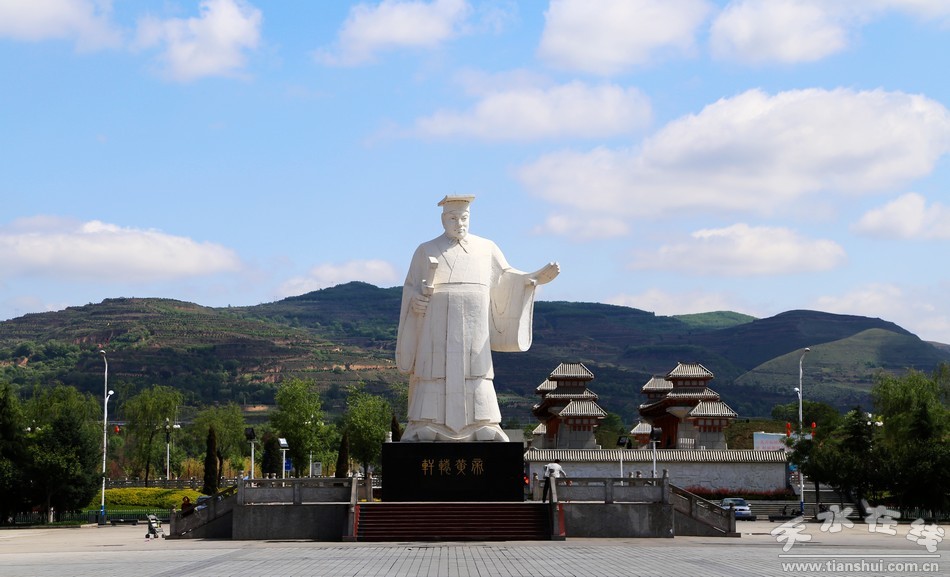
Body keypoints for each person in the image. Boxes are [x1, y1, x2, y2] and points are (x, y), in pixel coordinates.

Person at [396, 195, 559, 442]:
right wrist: (415, 300)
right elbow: (410, 288)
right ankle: (424, 423)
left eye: (464, 218)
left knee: (476, 370)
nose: (459, 223)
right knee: (433, 369)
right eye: (453, 218)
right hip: (436, 325)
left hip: (475, 325)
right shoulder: (425, 250)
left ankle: (484, 422)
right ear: (443, 220)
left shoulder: (487, 247)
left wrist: (534, 278)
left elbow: (507, 278)